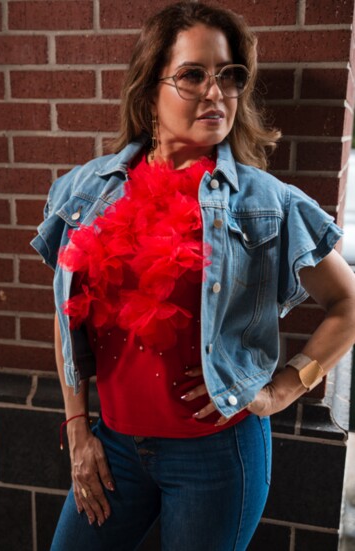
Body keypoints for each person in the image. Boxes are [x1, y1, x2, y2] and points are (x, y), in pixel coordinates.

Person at [31, 2, 355, 550]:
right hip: (114, 446)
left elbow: (348, 304)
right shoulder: (83, 192)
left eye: (229, 76)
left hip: (217, 456)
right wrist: (77, 427)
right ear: (148, 88)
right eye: (193, 75)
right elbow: (69, 317)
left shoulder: (267, 204)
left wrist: (283, 389)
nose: (216, 92)